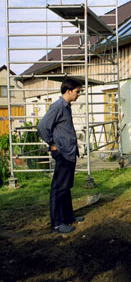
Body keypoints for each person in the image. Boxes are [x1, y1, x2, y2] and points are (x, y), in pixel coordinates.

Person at [37, 78, 83, 234]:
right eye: (77, 92)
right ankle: (57, 223)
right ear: (68, 91)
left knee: (66, 187)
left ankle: (68, 217)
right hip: (62, 153)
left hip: (70, 153)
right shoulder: (57, 107)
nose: (79, 95)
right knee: (58, 188)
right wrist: (51, 143)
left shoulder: (66, 106)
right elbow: (42, 127)